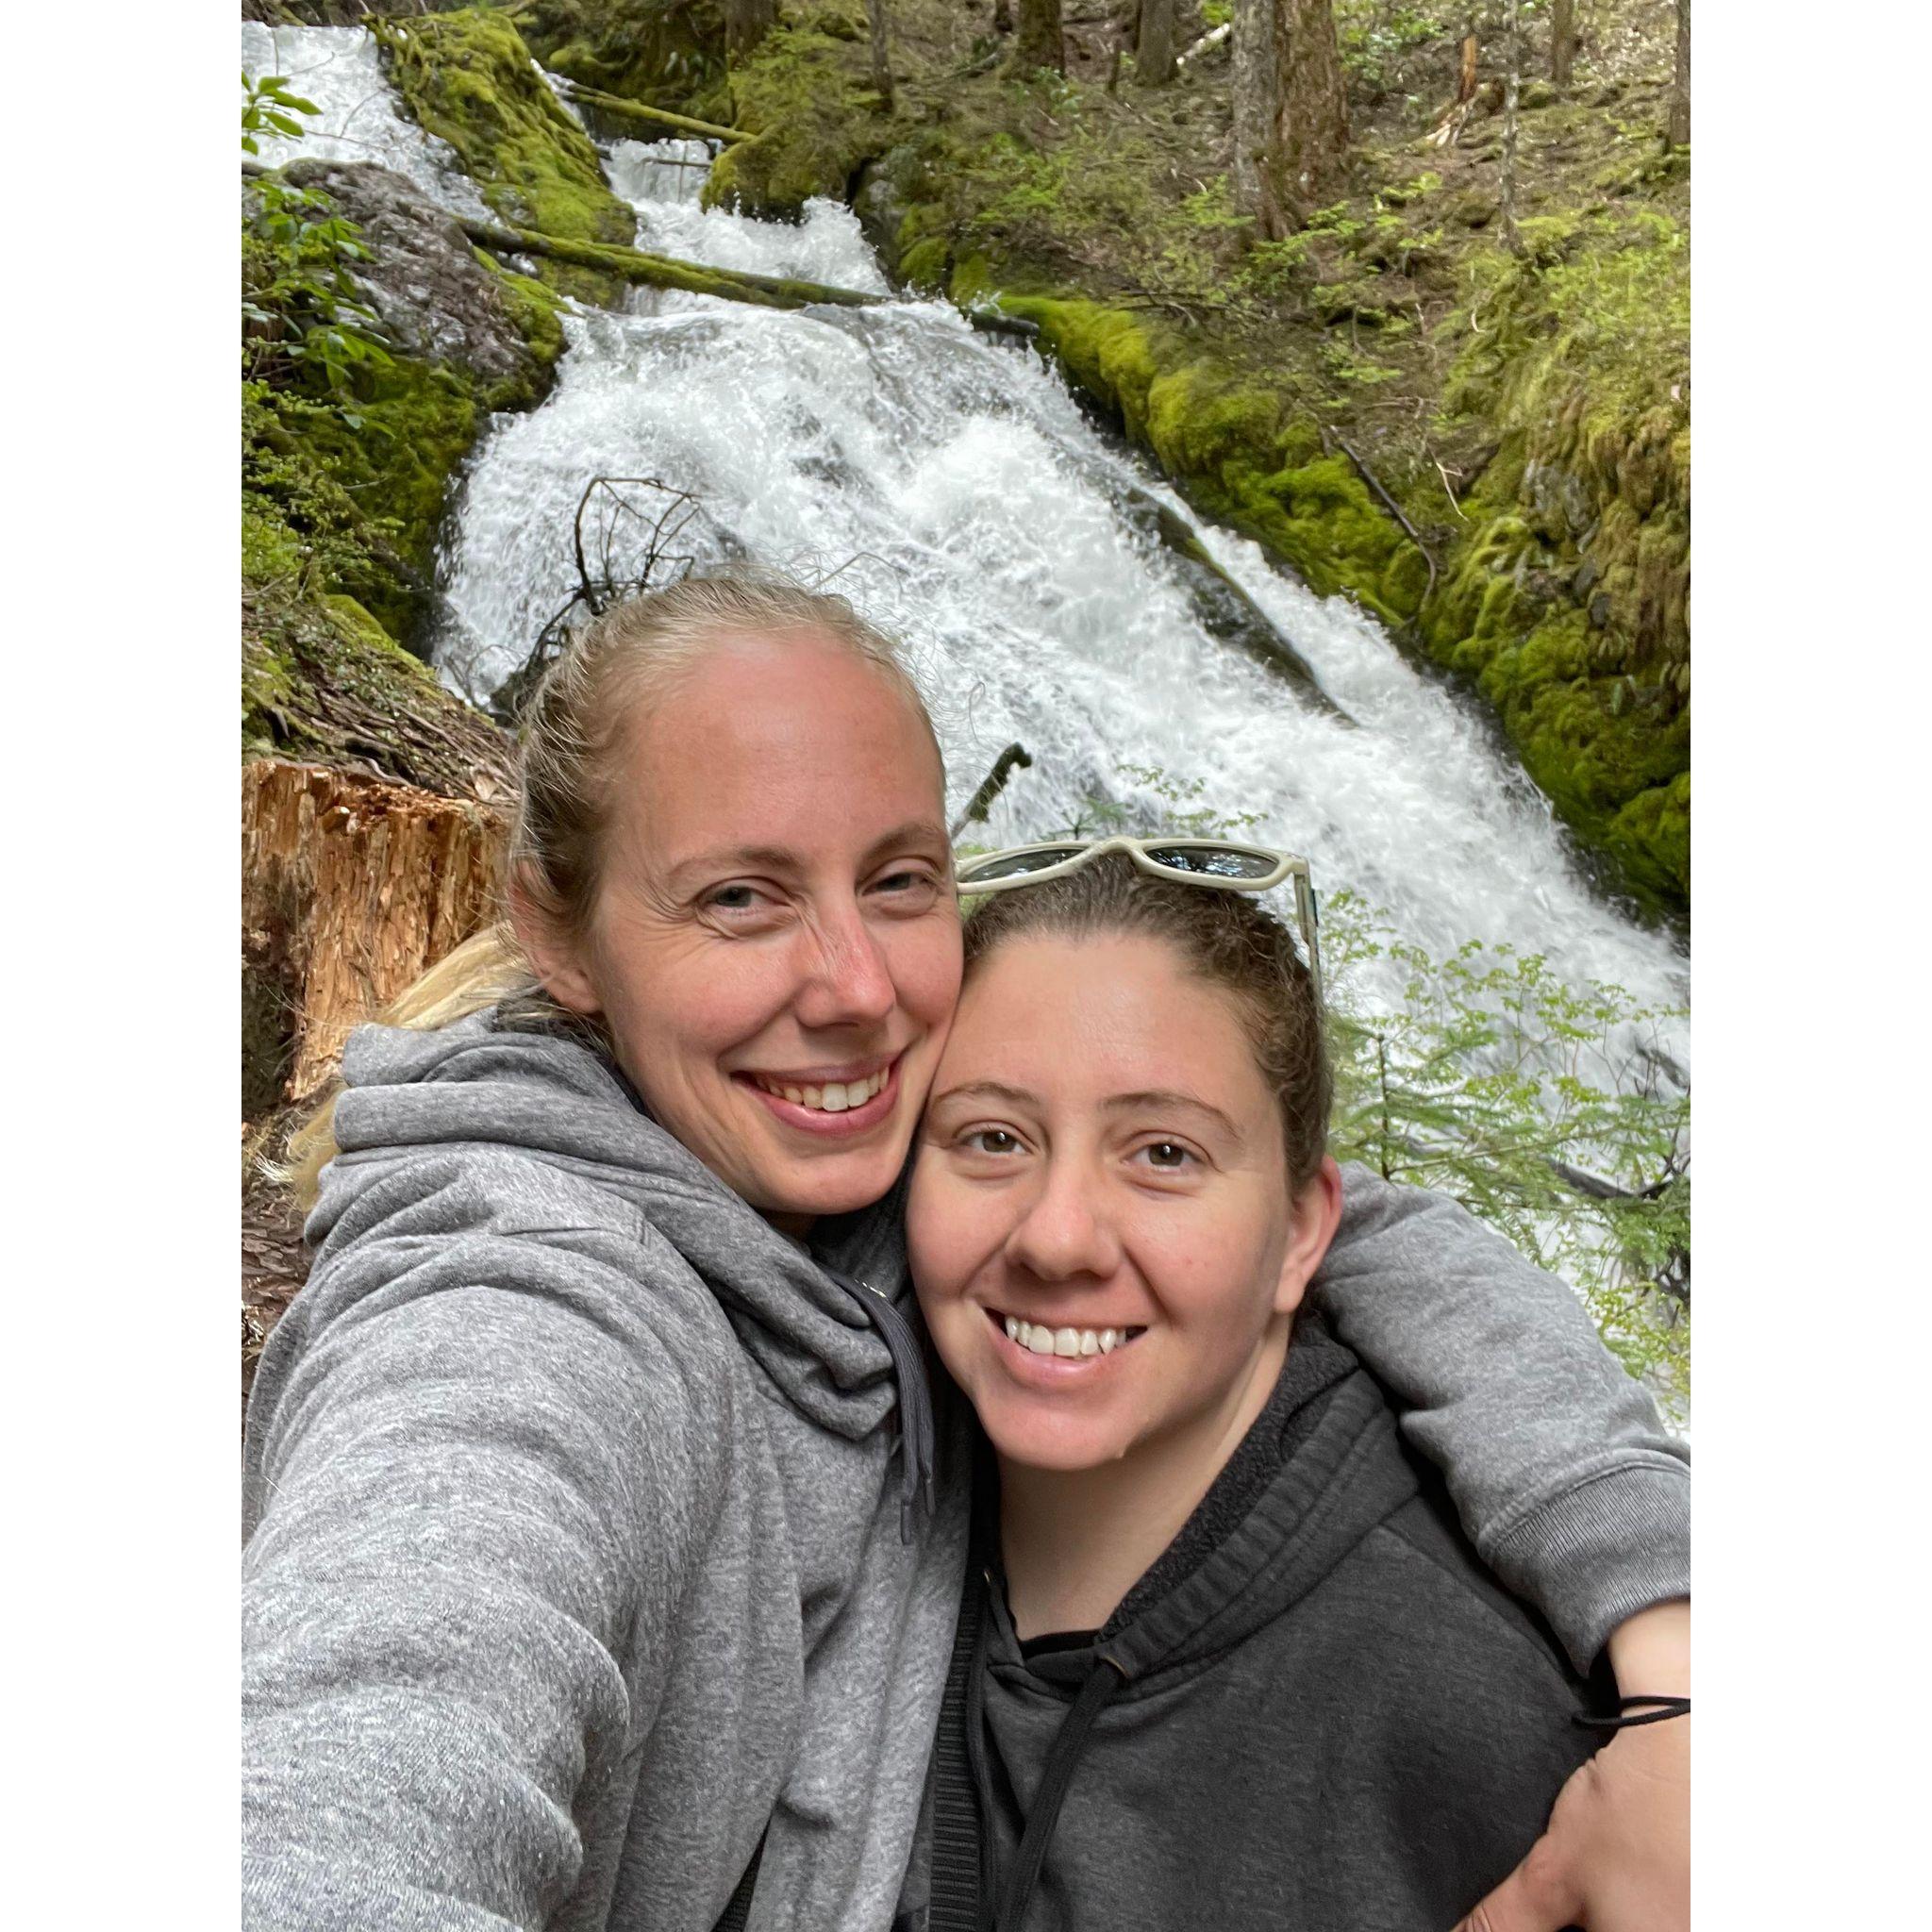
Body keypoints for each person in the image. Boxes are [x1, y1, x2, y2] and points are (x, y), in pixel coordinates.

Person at [242, 573, 1690, 1932]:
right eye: (739, 896)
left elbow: (1342, 1219)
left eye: (898, 881)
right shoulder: (518, 1310)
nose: (858, 990)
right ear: (558, 935)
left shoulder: (873, 1149)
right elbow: (370, 1729)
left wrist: (1682, 1654)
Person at [903, 843, 1690, 1932]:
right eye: (992, 1136)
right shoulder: (854, 1469)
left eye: (1163, 1152)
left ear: (1303, 1228)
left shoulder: (1493, 1712)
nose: (1057, 1235)